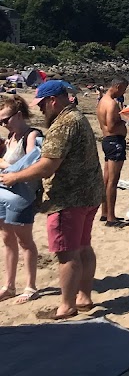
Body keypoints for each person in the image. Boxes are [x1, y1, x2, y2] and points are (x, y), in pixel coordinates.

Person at [0, 80, 104, 320]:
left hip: (67, 198)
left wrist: (15, 176)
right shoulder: (78, 117)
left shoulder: (63, 124)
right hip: (89, 195)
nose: (40, 110)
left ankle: (67, 306)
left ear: (53, 101)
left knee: (66, 253)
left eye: (42, 105)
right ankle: (84, 297)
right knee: (84, 246)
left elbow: (47, 166)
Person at [0, 95, 43, 304]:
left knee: (24, 241)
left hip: (22, 195)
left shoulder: (31, 136)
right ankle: (9, 285)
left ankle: (31, 286)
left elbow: (29, 166)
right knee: (7, 239)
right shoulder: (10, 137)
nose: (3, 124)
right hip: (4, 192)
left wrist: (1, 164)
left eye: (5, 120)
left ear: (18, 115)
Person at [96, 77, 129, 226]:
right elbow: (111, 125)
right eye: (123, 89)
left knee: (106, 179)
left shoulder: (102, 101)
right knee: (112, 182)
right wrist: (123, 121)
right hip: (114, 141)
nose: (123, 92)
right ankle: (111, 217)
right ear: (117, 86)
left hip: (108, 141)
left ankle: (104, 213)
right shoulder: (111, 104)